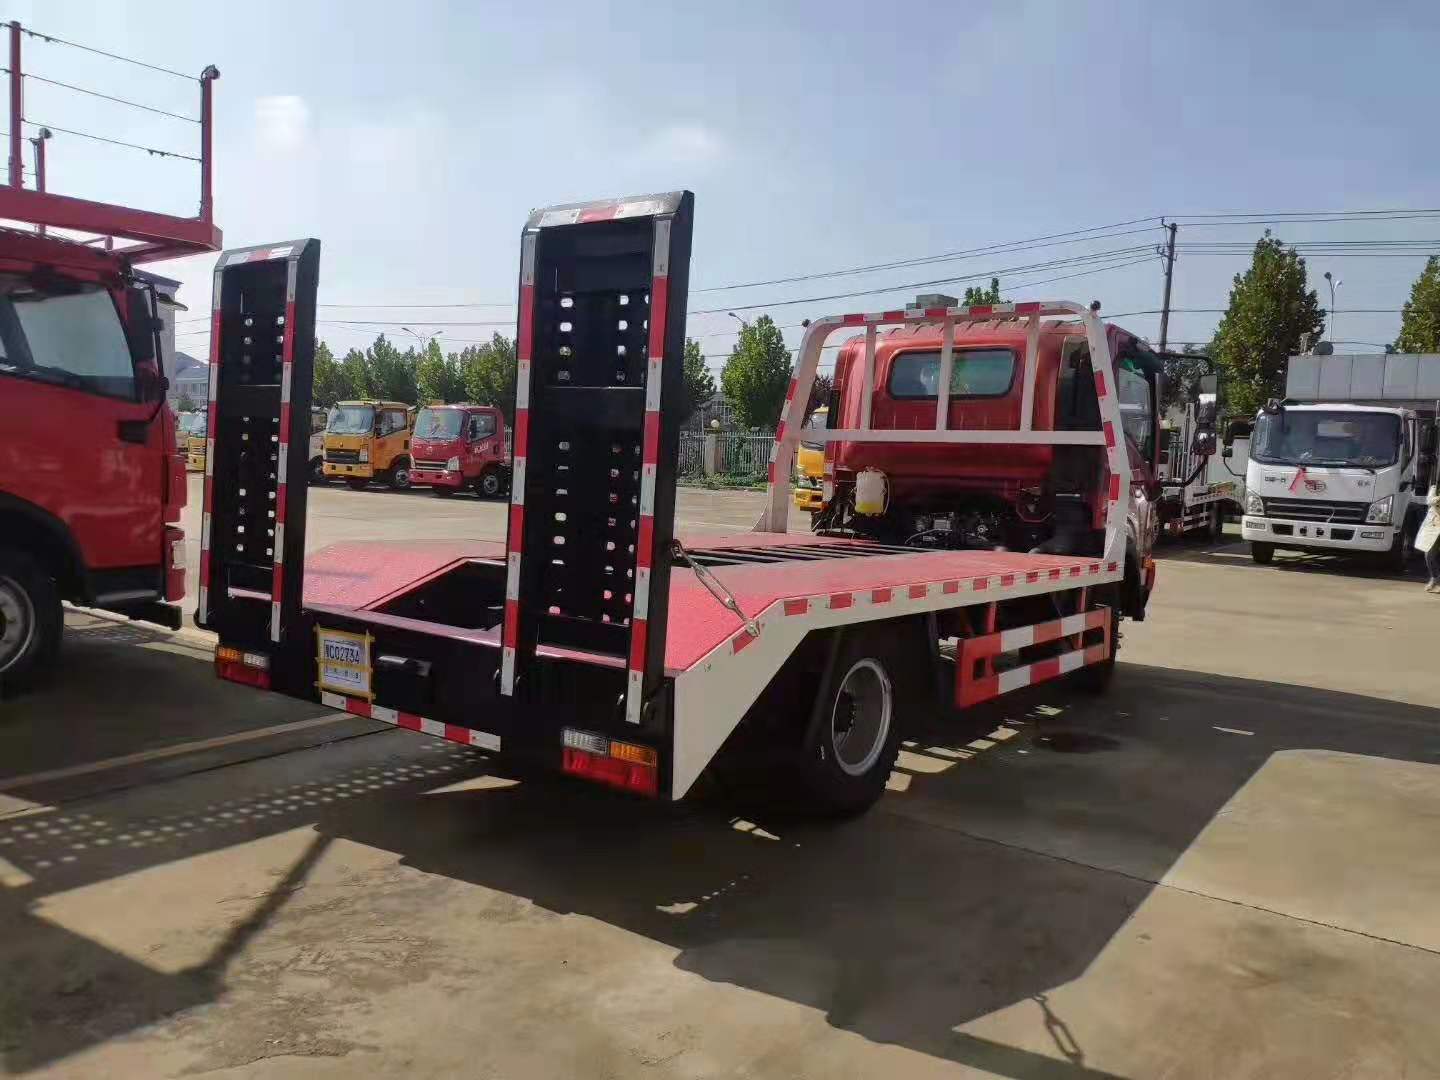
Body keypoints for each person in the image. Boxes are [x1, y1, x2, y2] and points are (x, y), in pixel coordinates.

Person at [1417, 483, 1440, 594]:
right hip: (1434, 526)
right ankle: (1435, 578)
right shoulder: (1435, 488)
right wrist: (1438, 498)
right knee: (1429, 554)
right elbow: (1429, 501)